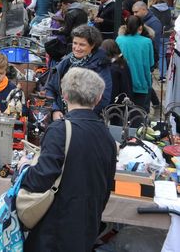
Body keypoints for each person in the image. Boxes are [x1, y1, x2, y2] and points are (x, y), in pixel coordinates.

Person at [20, 67, 117, 252]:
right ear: (97, 99)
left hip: (54, 229)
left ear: (64, 96)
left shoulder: (60, 130)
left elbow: (40, 179)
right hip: (87, 225)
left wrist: (24, 168)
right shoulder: (107, 136)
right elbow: (107, 186)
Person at [45, 25, 112, 119]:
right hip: (60, 118)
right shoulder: (66, 61)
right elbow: (50, 88)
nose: (77, 48)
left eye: (82, 44)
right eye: (75, 43)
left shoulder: (101, 65)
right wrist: (55, 110)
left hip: (83, 121)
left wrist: (75, 117)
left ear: (92, 45)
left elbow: (103, 98)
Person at [116, 15, 155, 112]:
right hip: (141, 82)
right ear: (140, 27)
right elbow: (151, 63)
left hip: (123, 83)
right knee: (138, 115)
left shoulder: (119, 40)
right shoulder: (147, 42)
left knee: (122, 114)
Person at [100, 39, 133, 106]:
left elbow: (113, 89)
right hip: (125, 97)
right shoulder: (122, 62)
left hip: (115, 103)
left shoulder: (112, 68)